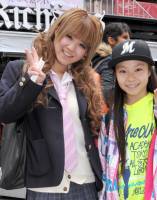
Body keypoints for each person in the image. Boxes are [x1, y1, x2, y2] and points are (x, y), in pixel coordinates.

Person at [0, 8, 104, 200]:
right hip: (45, 186)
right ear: (56, 30)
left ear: (86, 52)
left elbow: (93, 128)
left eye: (82, 45)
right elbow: (5, 113)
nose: (72, 48)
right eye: (69, 36)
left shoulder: (86, 80)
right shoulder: (19, 69)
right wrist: (31, 82)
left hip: (86, 183)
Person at [98, 39, 157, 200]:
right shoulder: (111, 117)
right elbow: (104, 164)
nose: (130, 78)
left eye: (138, 69)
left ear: (149, 71)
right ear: (115, 74)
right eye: (123, 71)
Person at [92, 22, 131, 104]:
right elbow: (107, 91)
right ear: (111, 40)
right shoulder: (110, 60)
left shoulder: (97, 57)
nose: (129, 41)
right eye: (125, 37)